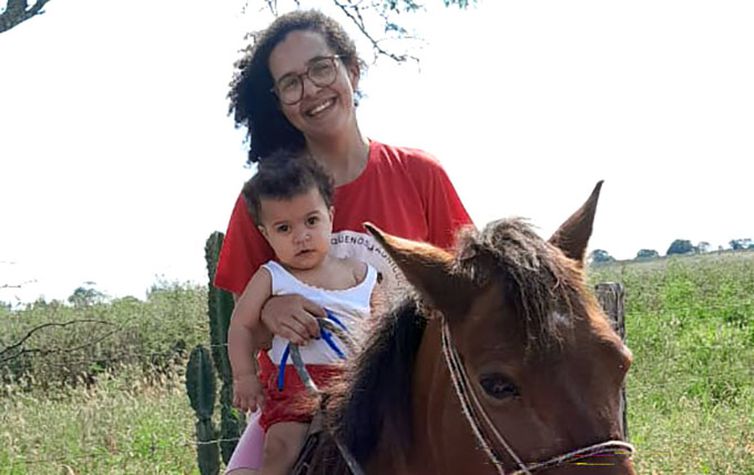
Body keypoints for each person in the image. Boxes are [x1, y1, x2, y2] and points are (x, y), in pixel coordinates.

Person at [215, 9, 473, 474]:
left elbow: (468, 296)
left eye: (321, 68)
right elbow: (243, 325)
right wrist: (272, 312)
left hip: (416, 398)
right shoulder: (262, 200)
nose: (311, 89)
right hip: (298, 402)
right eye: (291, 83)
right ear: (278, 102)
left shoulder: (421, 176)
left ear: (351, 70)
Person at [228, 149, 379, 475]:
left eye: (311, 221)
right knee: (280, 449)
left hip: (357, 384)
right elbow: (240, 324)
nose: (301, 236)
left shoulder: (362, 274)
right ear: (266, 234)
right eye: (284, 228)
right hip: (293, 384)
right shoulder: (272, 277)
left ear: (331, 216)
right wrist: (245, 377)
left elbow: (381, 329)